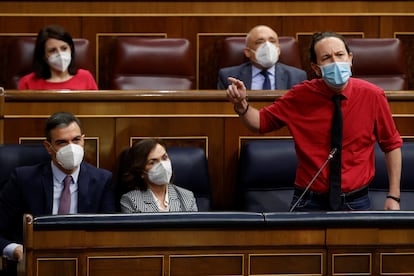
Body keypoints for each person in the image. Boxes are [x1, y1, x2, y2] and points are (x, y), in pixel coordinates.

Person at [226, 31, 402, 212]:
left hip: (356, 201)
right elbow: (261, 122)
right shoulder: (300, 95)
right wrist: (242, 105)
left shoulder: (373, 95)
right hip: (308, 200)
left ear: (350, 59)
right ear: (317, 68)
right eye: (326, 57)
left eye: (340, 55)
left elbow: (391, 145)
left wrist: (393, 196)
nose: (335, 62)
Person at [0, 111, 115, 271]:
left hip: (84, 265)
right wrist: (16, 250)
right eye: (62, 142)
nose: (72, 148)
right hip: (33, 265)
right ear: (48, 147)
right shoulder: (23, 179)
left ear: (83, 140)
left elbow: (109, 234)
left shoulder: (103, 180)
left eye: (76, 140)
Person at [217, 25, 307, 90]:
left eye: (272, 41)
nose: (267, 46)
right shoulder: (228, 77)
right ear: (247, 52)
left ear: (278, 50)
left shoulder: (297, 77)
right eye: (259, 42)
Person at [119, 139, 198, 213]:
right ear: (141, 172)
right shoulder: (130, 200)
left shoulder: (187, 197)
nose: (162, 166)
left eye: (164, 158)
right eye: (152, 162)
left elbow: (195, 227)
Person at [18, 25, 98, 90]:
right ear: (43, 55)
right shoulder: (27, 82)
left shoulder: (85, 77)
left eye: (64, 48)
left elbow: (95, 108)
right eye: (52, 50)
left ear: (71, 49)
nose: (60, 54)